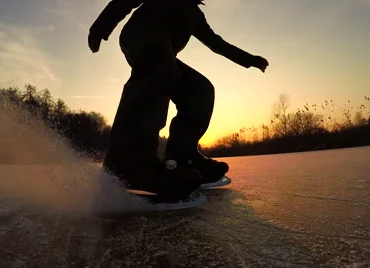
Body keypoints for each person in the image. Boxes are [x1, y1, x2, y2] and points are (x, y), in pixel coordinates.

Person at [88, 0, 269, 201]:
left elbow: (216, 43)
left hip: (164, 56)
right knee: (162, 71)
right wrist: (100, 29)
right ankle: (130, 162)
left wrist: (250, 59)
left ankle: (183, 156)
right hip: (140, 37)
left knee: (199, 89)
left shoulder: (195, 15)